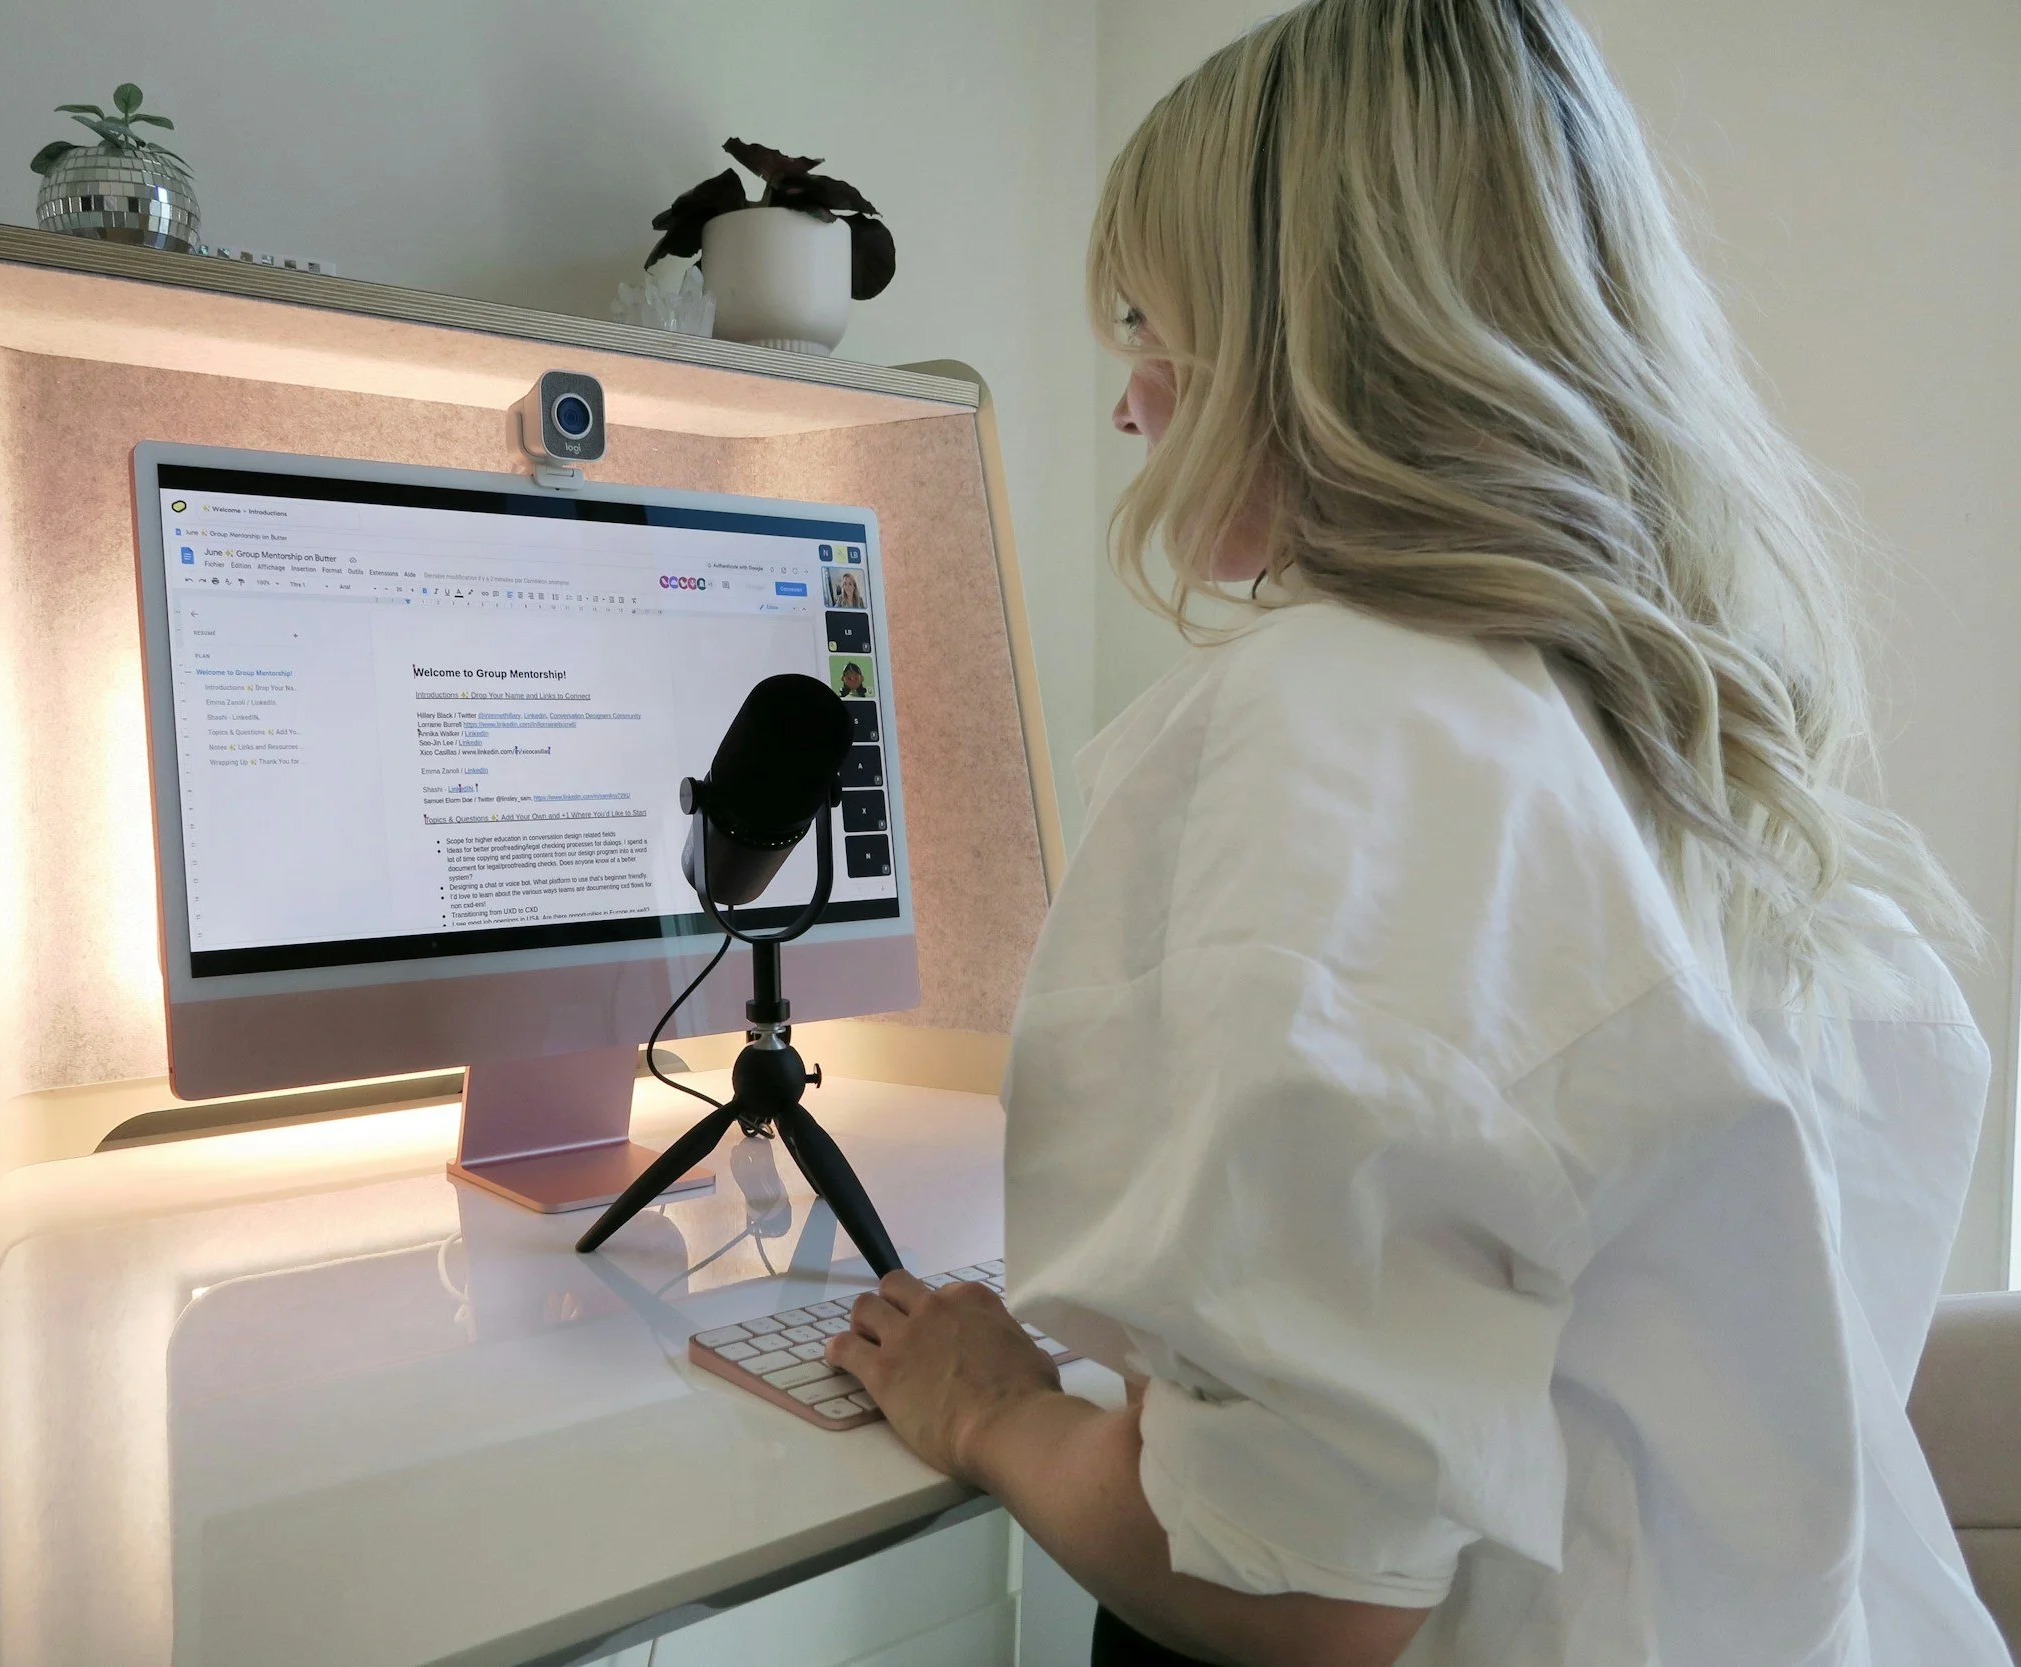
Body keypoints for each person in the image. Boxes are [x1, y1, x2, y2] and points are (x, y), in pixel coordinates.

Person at [825, 1, 2007, 1663]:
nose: (1133, 407)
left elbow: (1296, 1592)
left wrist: (991, 1407)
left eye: (1156, 329)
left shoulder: (1355, 727)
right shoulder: (1690, 743)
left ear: (1304, 349)